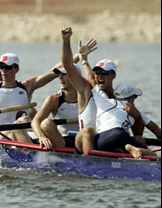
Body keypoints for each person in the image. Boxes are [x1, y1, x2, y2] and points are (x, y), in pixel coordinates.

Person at [61, 27, 156, 159]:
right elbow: (68, 65)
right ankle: (92, 164)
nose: (99, 76)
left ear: (113, 75)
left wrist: (137, 128)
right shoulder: (87, 91)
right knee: (89, 131)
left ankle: (116, 155)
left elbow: (92, 78)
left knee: (135, 140)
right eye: (98, 73)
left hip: (104, 142)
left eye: (104, 73)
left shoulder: (116, 102)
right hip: (83, 141)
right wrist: (67, 42)